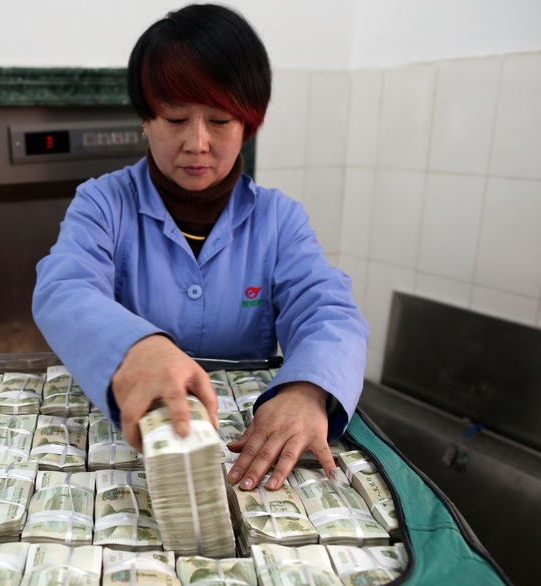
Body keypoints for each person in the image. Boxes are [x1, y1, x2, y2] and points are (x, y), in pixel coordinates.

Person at [32, 4, 368, 491]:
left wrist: (307, 389)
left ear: (248, 125)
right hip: (131, 440)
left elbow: (328, 310)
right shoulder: (103, 203)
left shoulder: (279, 219)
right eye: (175, 118)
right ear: (146, 120)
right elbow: (64, 287)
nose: (197, 142)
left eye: (220, 120)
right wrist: (137, 348)